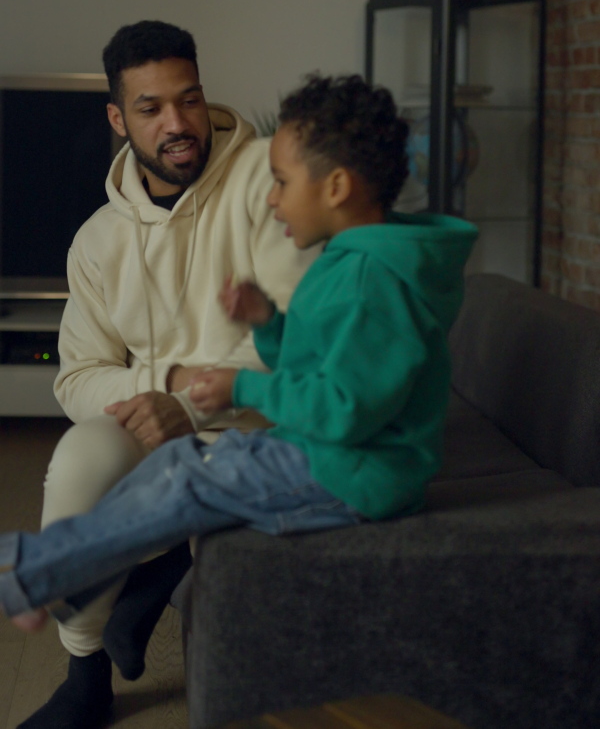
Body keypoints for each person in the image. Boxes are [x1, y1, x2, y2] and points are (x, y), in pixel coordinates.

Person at [1, 74, 478, 690]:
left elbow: (344, 409)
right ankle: (71, 581)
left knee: (188, 479)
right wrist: (269, 324)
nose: (272, 200)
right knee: (174, 470)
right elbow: (321, 363)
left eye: (281, 183)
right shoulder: (350, 261)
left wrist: (241, 390)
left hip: (354, 475)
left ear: (335, 187)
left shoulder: (373, 284)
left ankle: (32, 573)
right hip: (333, 456)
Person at [19, 20, 316, 729]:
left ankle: (155, 572)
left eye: (189, 99)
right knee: (78, 461)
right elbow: (77, 374)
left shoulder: (267, 193)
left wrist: (194, 397)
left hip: (263, 414)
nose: (179, 124)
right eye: (151, 108)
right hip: (155, 413)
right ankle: (84, 674)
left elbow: (309, 338)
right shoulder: (98, 239)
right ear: (118, 118)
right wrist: (155, 392)